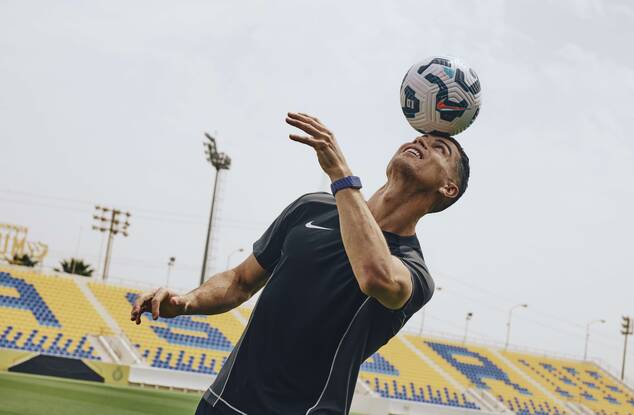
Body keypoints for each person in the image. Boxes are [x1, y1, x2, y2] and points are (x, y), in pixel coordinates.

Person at [130, 112, 470, 414]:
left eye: (439, 148)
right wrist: (187, 301)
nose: (420, 142)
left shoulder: (413, 271)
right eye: (419, 138)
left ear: (448, 188)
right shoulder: (311, 207)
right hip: (221, 405)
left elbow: (375, 276)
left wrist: (341, 174)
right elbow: (240, 281)